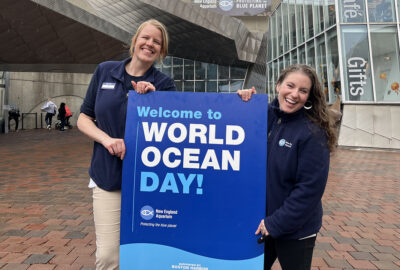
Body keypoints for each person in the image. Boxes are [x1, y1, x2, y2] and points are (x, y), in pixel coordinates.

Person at [77, 19, 176, 270]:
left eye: (157, 42)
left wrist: (154, 101)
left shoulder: (164, 84)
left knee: (146, 257)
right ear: (135, 40)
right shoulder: (105, 71)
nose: (150, 44)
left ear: (161, 51)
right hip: (108, 177)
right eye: (146, 38)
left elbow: (172, 135)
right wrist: (106, 140)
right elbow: (83, 118)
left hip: (150, 183)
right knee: (109, 257)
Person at [237, 64, 337, 270]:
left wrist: (276, 223)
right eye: (290, 86)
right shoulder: (262, 116)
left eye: (303, 91)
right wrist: (243, 102)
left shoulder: (313, 133)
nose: (294, 94)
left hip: (295, 230)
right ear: (277, 85)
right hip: (261, 223)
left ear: (309, 97)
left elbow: (309, 189)